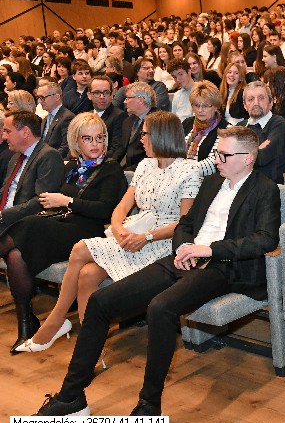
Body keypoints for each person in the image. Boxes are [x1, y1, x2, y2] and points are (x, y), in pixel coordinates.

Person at [20, 126, 280, 423]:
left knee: (160, 308)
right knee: (101, 302)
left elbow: (265, 239)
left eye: (224, 155)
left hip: (223, 266)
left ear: (248, 158)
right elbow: (185, 223)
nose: (217, 160)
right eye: (217, 154)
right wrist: (184, 247)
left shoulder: (265, 189)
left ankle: (149, 406)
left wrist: (208, 249)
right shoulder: (212, 183)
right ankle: (70, 399)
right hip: (184, 257)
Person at [18, 110, 200, 354]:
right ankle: (91, 347)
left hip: (161, 242)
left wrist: (146, 237)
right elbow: (121, 207)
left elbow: (184, 223)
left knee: (80, 248)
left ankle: (56, 322)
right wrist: (117, 229)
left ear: (161, 136)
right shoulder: (145, 165)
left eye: (145, 134)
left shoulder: (189, 170)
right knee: (87, 274)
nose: (141, 139)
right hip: (133, 234)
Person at [2, 113, 125, 354]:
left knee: (30, 224)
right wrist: (57, 203)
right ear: (76, 141)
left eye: (100, 138)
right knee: (15, 255)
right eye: (87, 138)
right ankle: (26, 326)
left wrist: (66, 201)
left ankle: (39, 326)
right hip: (62, 226)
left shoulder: (111, 169)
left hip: (88, 232)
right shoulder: (72, 167)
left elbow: (105, 210)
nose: (95, 144)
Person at [0, 110, 64, 234]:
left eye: (8, 131)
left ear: (25, 132)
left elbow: (41, 200)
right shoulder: (15, 157)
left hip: (20, 223)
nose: (4, 137)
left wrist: (3, 215)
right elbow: (4, 192)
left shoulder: (49, 156)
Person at [239, 81, 285, 183]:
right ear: (244, 105)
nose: (256, 103)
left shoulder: (279, 124)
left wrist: (239, 155)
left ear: (271, 103)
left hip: (266, 185)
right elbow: (228, 159)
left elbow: (262, 158)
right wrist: (257, 150)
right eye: (250, 99)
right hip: (240, 183)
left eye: (261, 98)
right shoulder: (240, 126)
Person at [111, 82, 158, 171]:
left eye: (128, 98)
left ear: (140, 100)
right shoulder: (128, 121)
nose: (124, 101)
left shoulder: (158, 122)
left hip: (145, 170)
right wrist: (110, 165)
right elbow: (120, 149)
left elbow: (154, 157)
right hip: (126, 169)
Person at [185, 81, 226, 177]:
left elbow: (215, 162)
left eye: (205, 106)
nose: (200, 110)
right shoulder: (187, 123)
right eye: (196, 105)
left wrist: (184, 171)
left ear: (216, 106)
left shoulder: (225, 130)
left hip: (205, 181)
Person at [87, 75, 127, 156]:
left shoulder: (120, 116)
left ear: (112, 94)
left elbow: (116, 150)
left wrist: (92, 160)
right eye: (97, 92)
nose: (102, 97)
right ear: (89, 95)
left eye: (106, 92)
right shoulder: (85, 117)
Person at [36, 81, 75, 158]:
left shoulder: (67, 118)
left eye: (42, 98)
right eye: (38, 98)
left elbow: (66, 148)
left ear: (56, 97)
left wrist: (45, 159)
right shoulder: (45, 119)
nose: (39, 101)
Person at [220, 61, 250, 126]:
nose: (232, 75)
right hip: (225, 127)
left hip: (240, 128)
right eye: (229, 72)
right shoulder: (222, 92)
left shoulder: (243, 93)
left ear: (241, 78)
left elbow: (248, 117)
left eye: (236, 73)